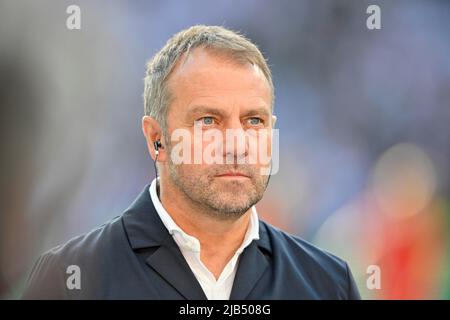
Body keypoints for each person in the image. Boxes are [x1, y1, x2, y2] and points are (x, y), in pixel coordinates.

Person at [23, 25, 360, 299]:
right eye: (209, 121)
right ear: (157, 138)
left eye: (253, 121)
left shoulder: (329, 284)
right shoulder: (70, 279)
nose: (236, 145)